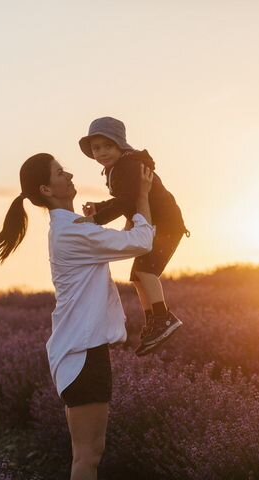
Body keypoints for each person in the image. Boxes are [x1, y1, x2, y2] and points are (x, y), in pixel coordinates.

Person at [0, 153, 155, 480]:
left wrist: (115, 216)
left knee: (89, 454)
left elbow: (124, 242)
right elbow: (142, 242)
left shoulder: (74, 229)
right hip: (82, 355)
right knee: (87, 457)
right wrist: (142, 195)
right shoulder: (72, 232)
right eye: (59, 172)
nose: (68, 174)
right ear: (46, 189)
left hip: (82, 352)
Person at [76, 116, 188, 356]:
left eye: (108, 146)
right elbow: (124, 200)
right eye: (97, 148)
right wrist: (100, 206)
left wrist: (97, 219)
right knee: (138, 276)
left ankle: (163, 318)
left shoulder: (127, 166)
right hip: (155, 225)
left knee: (146, 272)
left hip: (166, 225)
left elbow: (126, 200)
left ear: (120, 146)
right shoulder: (116, 169)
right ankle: (153, 322)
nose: (102, 152)